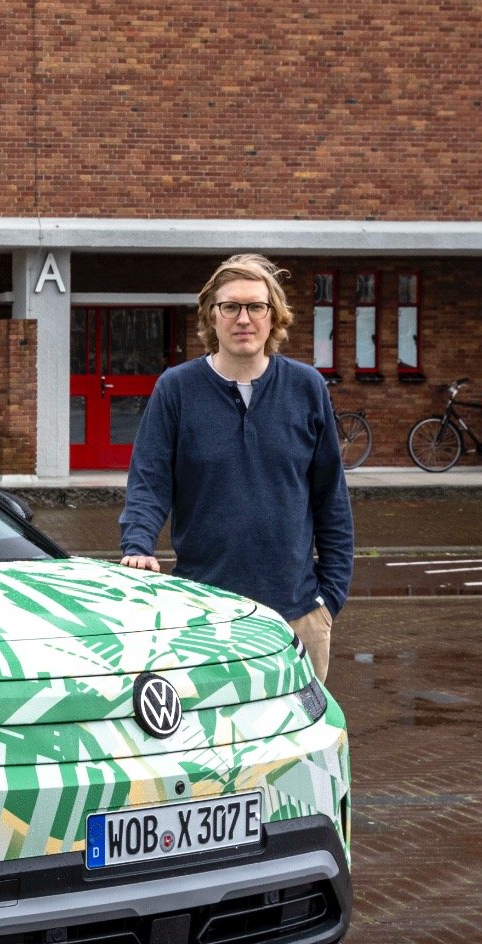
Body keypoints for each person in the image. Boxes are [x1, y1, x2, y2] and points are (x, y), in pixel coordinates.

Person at [118, 254, 353, 682]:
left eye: (256, 306)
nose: (243, 319)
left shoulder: (306, 387)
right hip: (201, 615)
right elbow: (150, 482)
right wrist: (138, 545)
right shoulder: (177, 389)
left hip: (297, 616)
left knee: (299, 726)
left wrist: (329, 598)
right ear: (212, 315)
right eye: (230, 307)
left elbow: (330, 498)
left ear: (273, 315)